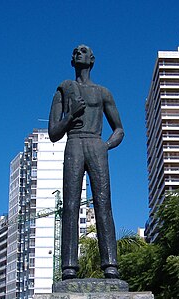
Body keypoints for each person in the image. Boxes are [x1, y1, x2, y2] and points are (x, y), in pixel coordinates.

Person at [49, 44, 124, 280]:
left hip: (96, 144)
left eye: (83, 51)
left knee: (103, 204)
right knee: (70, 205)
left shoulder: (103, 93)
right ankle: (69, 266)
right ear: (72, 61)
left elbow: (119, 129)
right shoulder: (64, 89)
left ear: (92, 59)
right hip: (73, 143)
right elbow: (53, 132)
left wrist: (106, 145)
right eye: (75, 52)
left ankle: (110, 264)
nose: (78, 53)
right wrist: (70, 115)